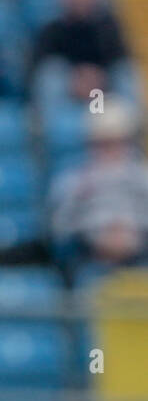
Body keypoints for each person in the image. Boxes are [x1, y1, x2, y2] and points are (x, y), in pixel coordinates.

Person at [49, 98, 148, 277]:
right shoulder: (73, 180)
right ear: (91, 144)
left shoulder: (142, 177)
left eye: (117, 142)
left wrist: (129, 231)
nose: (110, 149)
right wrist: (98, 234)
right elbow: (59, 226)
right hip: (90, 255)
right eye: (103, 143)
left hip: (138, 251)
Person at [30, 0, 138, 108]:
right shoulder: (51, 27)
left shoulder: (109, 25)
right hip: (67, 90)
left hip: (102, 90)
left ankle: (131, 125)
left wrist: (97, 77)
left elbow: (119, 58)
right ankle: (53, 129)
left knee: (125, 75)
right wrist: (76, 79)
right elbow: (39, 65)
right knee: (51, 78)